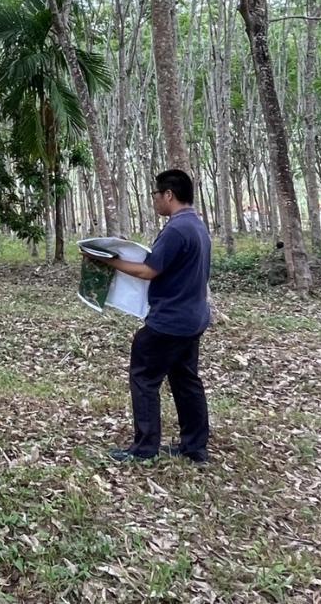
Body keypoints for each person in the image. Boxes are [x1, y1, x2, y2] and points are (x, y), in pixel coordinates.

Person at [94, 169, 212, 464]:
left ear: (168, 195)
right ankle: (194, 447)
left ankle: (145, 448)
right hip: (193, 318)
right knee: (186, 381)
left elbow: (149, 270)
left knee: (144, 378)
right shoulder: (196, 225)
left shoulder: (175, 229)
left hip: (169, 321)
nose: (155, 200)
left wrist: (110, 260)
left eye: (155, 195)